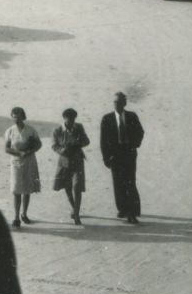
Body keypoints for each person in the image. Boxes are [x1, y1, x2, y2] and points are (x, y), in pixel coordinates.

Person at [99, 91, 145, 223]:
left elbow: (140, 132)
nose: (117, 105)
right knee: (118, 183)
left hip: (129, 153)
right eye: (115, 102)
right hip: (115, 155)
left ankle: (132, 213)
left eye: (119, 102)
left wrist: (134, 144)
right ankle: (122, 209)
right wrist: (106, 158)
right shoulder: (106, 119)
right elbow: (103, 140)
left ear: (125, 103)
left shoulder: (132, 116)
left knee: (130, 182)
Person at [4, 107, 43, 229]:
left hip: (29, 161)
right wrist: (19, 153)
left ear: (23, 116)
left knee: (27, 189)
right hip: (16, 162)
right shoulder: (10, 131)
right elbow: (7, 148)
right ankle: (16, 217)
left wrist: (30, 151)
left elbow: (39, 144)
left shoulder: (30, 130)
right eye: (14, 116)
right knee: (16, 190)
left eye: (18, 116)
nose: (16, 118)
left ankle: (24, 214)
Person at [51, 108, 92, 224]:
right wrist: (62, 150)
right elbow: (54, 145)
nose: (71, 122)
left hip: (77, 160)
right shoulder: (57, 130)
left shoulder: (79, 127)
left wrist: (77, 143)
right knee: (67, 186)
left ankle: (77, 214)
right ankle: (75, 208)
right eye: (69, 120)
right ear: (64, 118)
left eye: (73, 119)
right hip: (64, 161)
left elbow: (87, 141)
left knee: (77, 185)